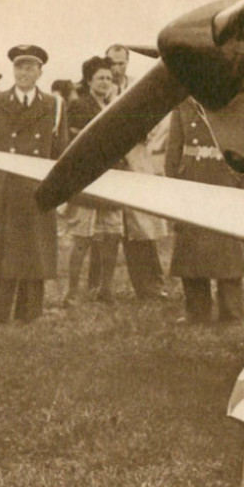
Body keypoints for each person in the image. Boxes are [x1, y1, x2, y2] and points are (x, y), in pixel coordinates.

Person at [0, 44, 66, 323]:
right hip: (3, 186)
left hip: (36, 187)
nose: (23, 73)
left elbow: (59, 151)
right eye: (18, 67)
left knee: (35, 251)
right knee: (2, 250)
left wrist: (56, 189)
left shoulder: (53, 105)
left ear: (40, 72)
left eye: (29, 67)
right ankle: (0, 313)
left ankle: (30, 314)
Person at [165, 98, 244, 322]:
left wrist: (241, 181)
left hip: (224, 179)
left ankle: (231, 311)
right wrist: (171, 182)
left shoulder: (232, 100)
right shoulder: (182, 104)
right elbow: (174, 146)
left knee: (227, 247)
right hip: (191, 178)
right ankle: (196, 311)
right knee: (189, 248)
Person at [107, 43, 169, 299]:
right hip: (116, 163)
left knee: (145, 224)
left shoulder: (139, 85)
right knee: (120, 228)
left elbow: (158, 118)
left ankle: (154, 282)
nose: (118, 68)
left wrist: (149, 135)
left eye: (122, 63)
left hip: (139, 160)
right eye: (113, 63)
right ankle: (140, 285)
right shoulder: (104, 88)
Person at [63, 55, 122, 305]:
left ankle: (105, 289)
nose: (105, 82)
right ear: (89, 81)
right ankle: (72, 292)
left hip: (113, 177)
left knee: (112, 235)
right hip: (87, 178)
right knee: (82, 237)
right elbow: (74, 144)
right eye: (100, 78)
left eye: (109, 78)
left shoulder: (117, 105)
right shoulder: (79, 106)